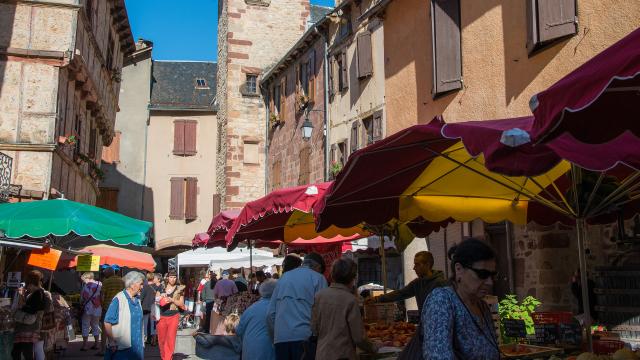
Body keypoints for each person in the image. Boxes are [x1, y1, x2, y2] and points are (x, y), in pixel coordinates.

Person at [422, 238, 500, 360]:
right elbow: (438, 356)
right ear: (459, 269)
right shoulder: (442, 300)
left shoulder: (483, 306)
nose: (490, 282)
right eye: (482, 274)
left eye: (493, 275)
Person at [367, 251, 446, 359]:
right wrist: (377, 299)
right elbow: (400, 293)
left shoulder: (441, 284)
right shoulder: (417, 283)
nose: (414, 268)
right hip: (424, 329)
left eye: (417, 264)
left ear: (427, 264)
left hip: (440, 330)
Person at [312, 258, 378, 360]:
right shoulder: (350, 300)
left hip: (322, 354)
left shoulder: (319, 296)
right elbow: (359, 338)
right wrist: (374, 347)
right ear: (352, 277)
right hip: (342, 355)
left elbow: (314, 329)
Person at [267, 252, 327, 360]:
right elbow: (323, 313)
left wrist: (275, 339)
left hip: (281, 339)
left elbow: (270, 314)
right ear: (318, 267)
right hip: (305, 339)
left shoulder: (284, 278)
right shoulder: (319, 278)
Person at [103, 271, 145, 360]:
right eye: (141, 284)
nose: (142, 287)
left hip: (137, 346)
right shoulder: (119, 299)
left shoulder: (137, 300)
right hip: (122, 348)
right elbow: (107, 321)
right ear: (132, 284)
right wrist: (111, 341)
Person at [236, 279, 277, 360]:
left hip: (249, 350)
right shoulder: (278, 308)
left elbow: (239, 330)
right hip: (268, 351)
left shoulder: (251, 308)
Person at [12, 270, 46, 360]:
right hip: (28, 327)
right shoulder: (36, 293)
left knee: (25, 352)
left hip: (29, 327)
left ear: (30, 282)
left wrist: (22, 305)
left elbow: (32, 309)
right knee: (18, 351)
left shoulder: (38, 293)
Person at [156, 271, 185, 360]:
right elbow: (156, 300)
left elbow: (181, 303)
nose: (173, 279)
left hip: (173, 316)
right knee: (161, 340)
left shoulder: (180, 289)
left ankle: (168, 358)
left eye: (174, 277)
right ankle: (164, 356)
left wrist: (172, 300)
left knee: (171, 339)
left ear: (177, 278)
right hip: (161, 316)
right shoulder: (161, 287)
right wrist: (161, 296)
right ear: (167, 278)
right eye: (171, 277)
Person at [99, 266, 124, 356]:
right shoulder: (122, 281)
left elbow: (102, 296)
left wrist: (102, 306)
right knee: (118, 328)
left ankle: (103, 350)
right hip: (119, 307)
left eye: (105, 273)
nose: (104, 274)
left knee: (105, 329)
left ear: (108, 273)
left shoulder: (106, 282)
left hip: (107, 307)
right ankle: (119, 348)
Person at [79, 272, 102, 351]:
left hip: (88, 308)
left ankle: (85, 345)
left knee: (85, 325)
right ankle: (97, 344)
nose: (83, 281)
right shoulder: (100, 284)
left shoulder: (86, 286)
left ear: (87, 278)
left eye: (84, 279)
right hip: (97, 308)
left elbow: (83, 298)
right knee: (95, 325)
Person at [140, 273, 157, 345]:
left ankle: (145, 339)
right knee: (153, 324)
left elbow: (141, 298)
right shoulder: (156, 287)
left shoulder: (145, 287)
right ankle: (153, 339)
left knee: (145, 324)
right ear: (153, 278)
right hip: (153, 307)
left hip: (145, 307)